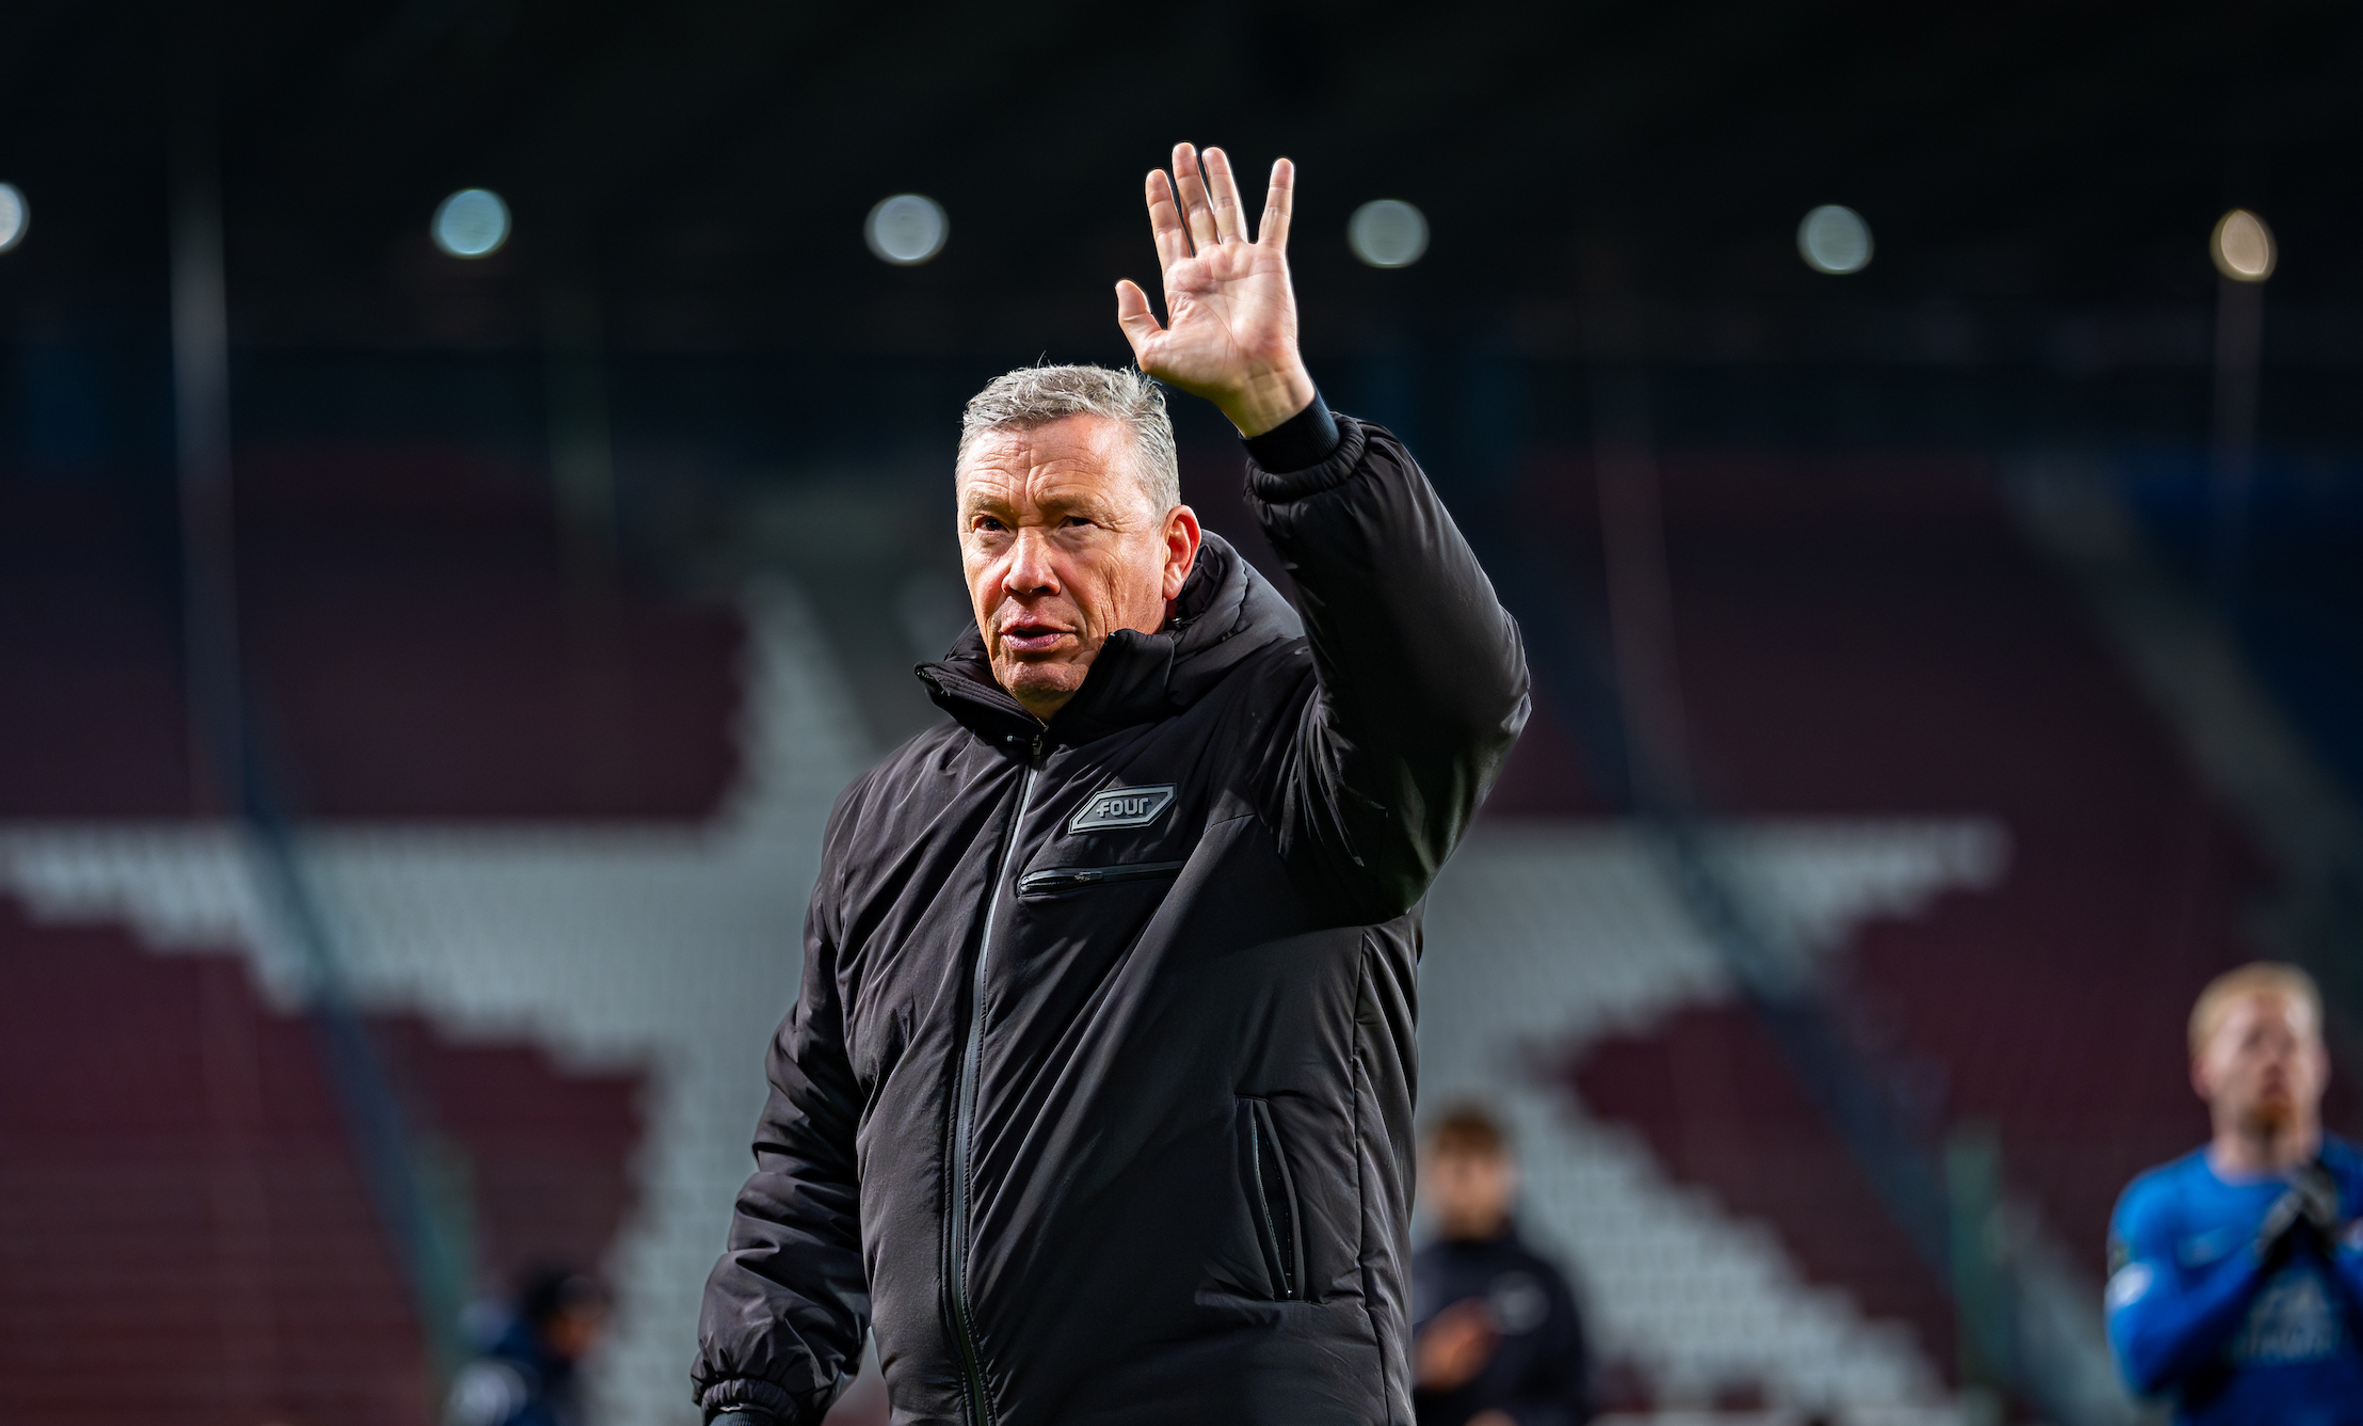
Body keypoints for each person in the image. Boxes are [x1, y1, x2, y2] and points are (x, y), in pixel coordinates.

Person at [691, 144, 1530, 1426]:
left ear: (1174, 547)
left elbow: (1458, 694)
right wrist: (750, 1401)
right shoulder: (890, 815)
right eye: (992, 527)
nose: (1024, 570)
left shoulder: (1283, 737)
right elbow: (812, 1154)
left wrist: (1288, 422)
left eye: (1073, 523)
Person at [2106, 962, 2363, 1423]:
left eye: (2290, 1043)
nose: (2273, 1060)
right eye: (2251, 1043)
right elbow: (2146, 1363)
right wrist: (2256, 1267)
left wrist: (2337, 1257)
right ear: (2204, 1070)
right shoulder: (2160, 1209)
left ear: (2320, 1062)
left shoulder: (2358, 1189)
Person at [1411, 1104, 1590, 1426]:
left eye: (1476, 1159)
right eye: (1447, 1159)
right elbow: (1363, 1397)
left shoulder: (1545, 1282)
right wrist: (1421, 1370)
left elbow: (1578, 1400)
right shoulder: (1400, 1280)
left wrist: (1517, 1421)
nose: (1461, 1177)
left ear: (1507, 1173)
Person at [445, 1266, 609, 1426]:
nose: (584, 1335)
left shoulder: (564, 1381)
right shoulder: (496, 1380)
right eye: (576, 1325)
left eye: (590, 1325)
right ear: (551, 1321)